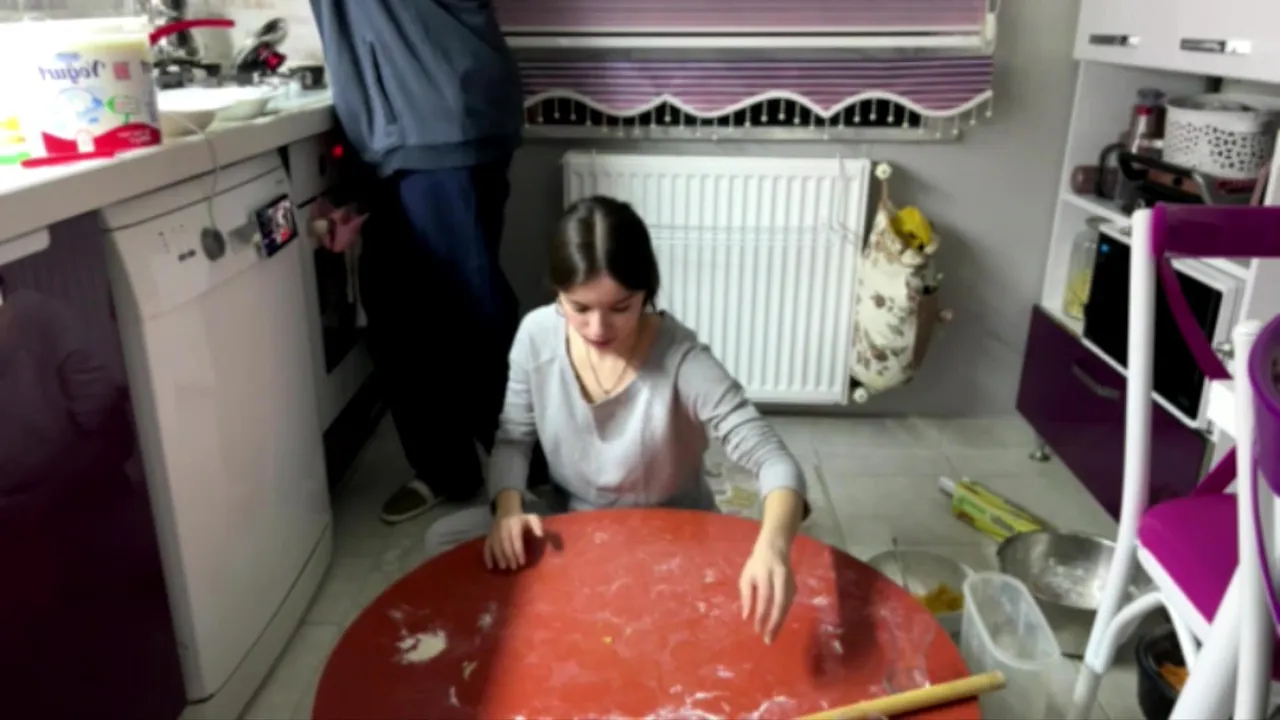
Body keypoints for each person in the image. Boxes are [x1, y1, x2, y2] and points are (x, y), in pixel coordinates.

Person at [426, 196, 809, 643]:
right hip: (575, 524)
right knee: (446, 541)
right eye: (579, 308)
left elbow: (773, 459)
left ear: (646, 292)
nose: (598, 329)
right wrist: (508, 511)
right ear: (558, 292)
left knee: (717, 608)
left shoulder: (681, 358)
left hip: (672, 534)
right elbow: (513, 438)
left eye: (620, 307)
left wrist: (773, 547)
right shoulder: (536, 335)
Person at [309, 0, 526, 523]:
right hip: (407, 123)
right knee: (399, 311)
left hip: (437, 117)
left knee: (469, 313)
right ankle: (450, 470)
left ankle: (525, 472)